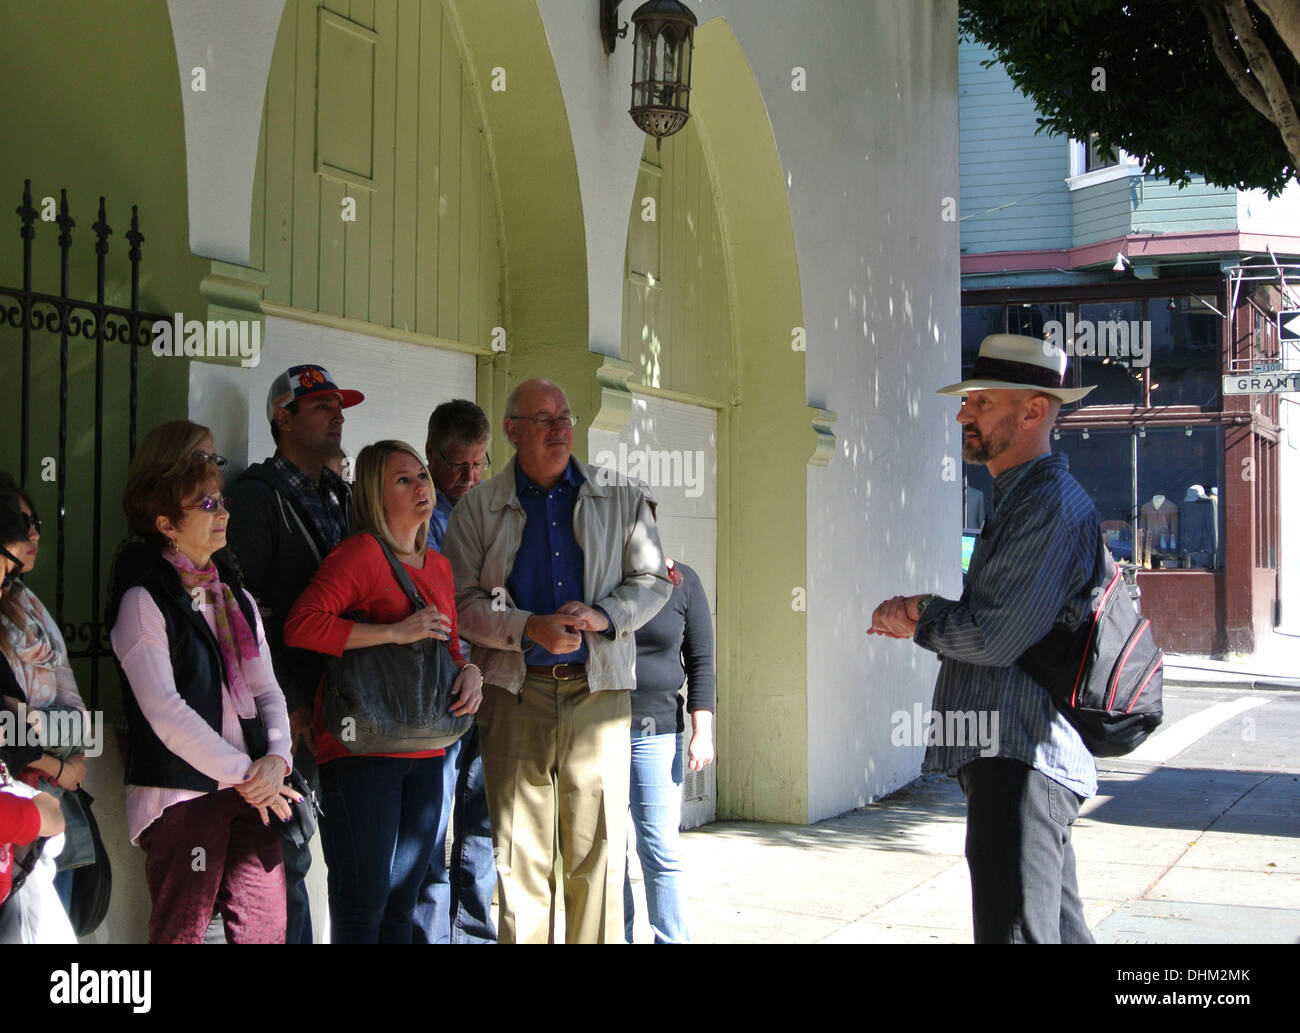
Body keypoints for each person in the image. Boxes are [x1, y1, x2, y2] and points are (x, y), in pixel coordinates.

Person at [868, 332, 1099, 945]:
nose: (963, 413)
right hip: (1015, 758)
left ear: (1033, 410)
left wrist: (919, 613)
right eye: (969, 400)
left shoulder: (1046, 505)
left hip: (1022, 760)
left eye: (982, 402)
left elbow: (993, 636)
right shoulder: (1024, 498)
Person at [442, 378, 671, 944]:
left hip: (599, 694)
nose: (561, 429)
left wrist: (604, 614)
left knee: (597, 855)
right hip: (514, 695)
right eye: (544, 420)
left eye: (566, 417)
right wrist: (528, 628)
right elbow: (459, 603)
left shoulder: (621, 497)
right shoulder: (478, 508)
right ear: (513, 431)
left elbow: (652, 582)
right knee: (520, 860)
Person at [284, 440, 483, 943]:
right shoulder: (361, 554)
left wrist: (471, 674)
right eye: (403, 479)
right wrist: (394, 632)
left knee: (405, 901)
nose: (422, 486)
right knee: (363, 899)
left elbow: (448, 644)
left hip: (430, 745)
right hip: (363, 747)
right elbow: (301, 625)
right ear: (374, 494)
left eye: (422, 476)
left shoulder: (437, 564)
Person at [107, 454, 297, 943]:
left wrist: (277, 757)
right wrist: (249, 774)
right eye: (207, 503)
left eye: (223, 501)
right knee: (182, 931)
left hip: (250, 788)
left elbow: (267, 688)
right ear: (167, 524)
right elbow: (166, 713)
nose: (223, 513)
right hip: (184, 796)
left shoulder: (235, 597)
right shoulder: (143, 601)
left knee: (265, 927)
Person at [225, 364, 362, 944]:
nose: (337, 416)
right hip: (290, 718)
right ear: (283, 418)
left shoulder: (340, 493)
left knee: (356, 855)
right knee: (291, 857)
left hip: (348, 705)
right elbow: (245, 614)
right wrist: (287, 701)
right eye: (321, 406)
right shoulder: (255, 498)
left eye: (339, 406)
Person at [413, 399, 497, 944]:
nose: (469, 477)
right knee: (430, 831)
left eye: (479, 464)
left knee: (481, 827)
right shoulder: (419, 515)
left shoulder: (495, 509)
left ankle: (473, 936)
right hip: (440, 692)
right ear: (431, 455)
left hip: (491, 683)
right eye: (457, 464)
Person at [0, 473, 91, 915]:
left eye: (35, 521)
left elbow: (79, 717)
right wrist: (58, 760)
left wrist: (69, 759)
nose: (32, 533)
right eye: (20, 524)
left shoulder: (30, 605)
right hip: (20, 792)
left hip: (54, 792)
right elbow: (9, 727)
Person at [625, 514, 715, 944]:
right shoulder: (598, 582)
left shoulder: (683, 582)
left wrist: (703, 731)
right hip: (595, 729)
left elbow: (701, 662)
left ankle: (670, 938)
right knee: (603, 852)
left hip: (657, 733)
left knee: (659, 849)